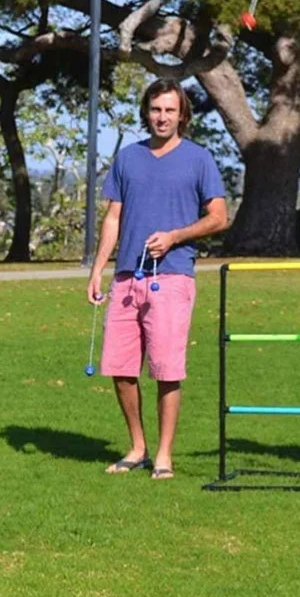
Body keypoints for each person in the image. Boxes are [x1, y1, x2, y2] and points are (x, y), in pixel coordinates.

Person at [86, 78, 228, 480]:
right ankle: (137, 447)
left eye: (169, 110)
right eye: (155, 109)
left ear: (182, 115)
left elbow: (219, 217)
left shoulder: (199, 159)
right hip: (125, 279)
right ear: (146, 113)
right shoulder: (128, 158)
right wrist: (98, 270)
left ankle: (164, 455)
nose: (162, 117)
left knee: (166, 370)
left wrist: (175, 237)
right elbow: (113, 218)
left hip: (172, 277)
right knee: (120, 368)